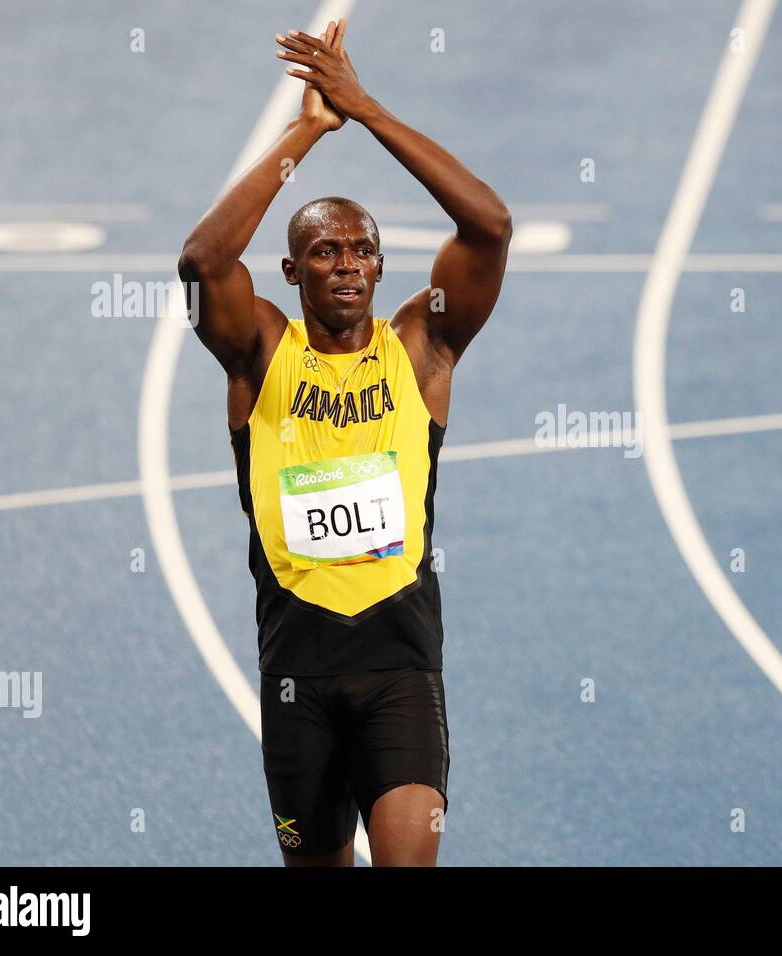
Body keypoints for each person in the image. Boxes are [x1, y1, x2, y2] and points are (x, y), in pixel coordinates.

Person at [177, 18, 511, 866]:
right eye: (325, 251)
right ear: (292, 274)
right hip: (299, 678)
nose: (349, 264)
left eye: (363, 250)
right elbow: (204, 259)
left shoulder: (420, 349)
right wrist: (307, 132)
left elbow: (491, 228)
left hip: (401, 669)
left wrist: (366, 108)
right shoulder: (259, 353)